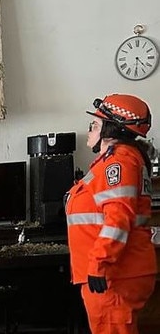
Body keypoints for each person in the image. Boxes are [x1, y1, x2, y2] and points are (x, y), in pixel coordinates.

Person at [65, 94, 157, 334]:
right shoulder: (112, 162)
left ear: (112, 129)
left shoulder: (119, 163)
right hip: (113, 272)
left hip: (113, 275)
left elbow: (118, 220)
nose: (89, 130)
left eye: (94, 125)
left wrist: (98, 264)